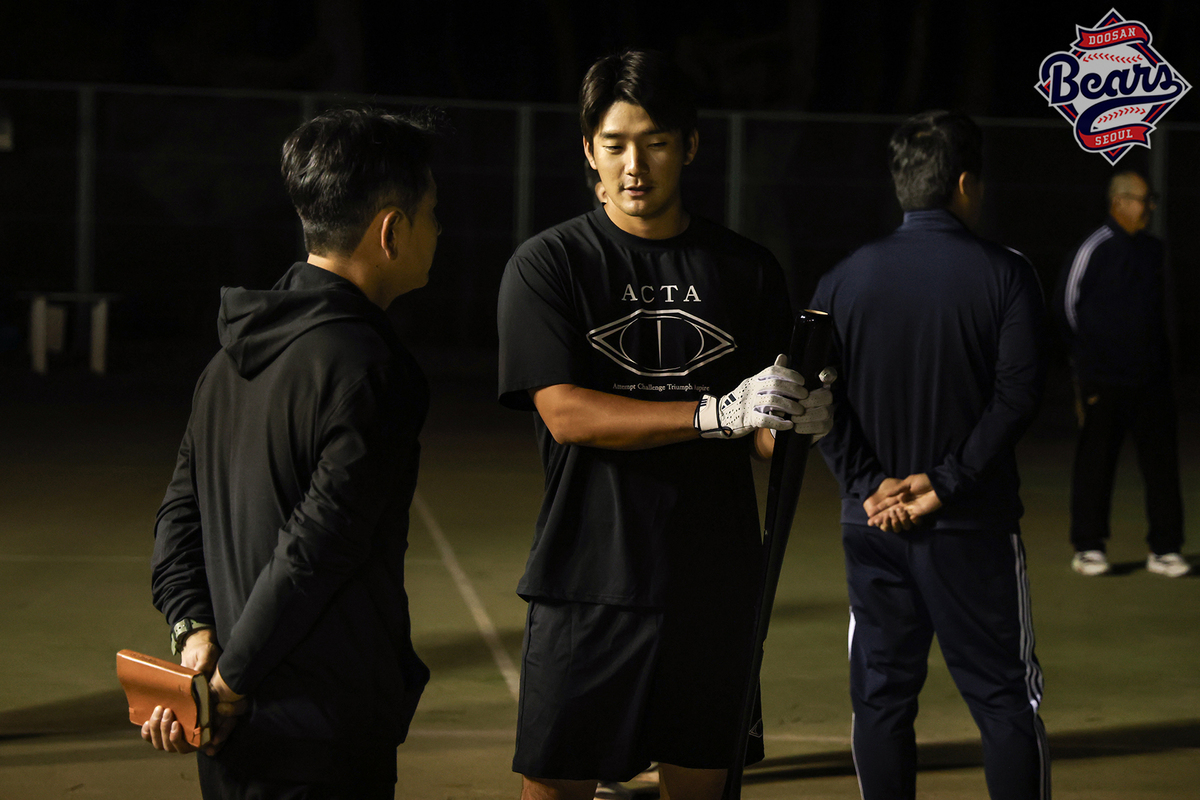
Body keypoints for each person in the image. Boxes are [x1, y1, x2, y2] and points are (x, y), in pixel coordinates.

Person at [497, 48, 832, 800]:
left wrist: (801, 419)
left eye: (652, 141)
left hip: (712, 583)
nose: (634, 165)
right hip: (587, 579)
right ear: (589, 151)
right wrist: (714, 411)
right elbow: (566, 413)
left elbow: (765, 437)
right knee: (555, 788)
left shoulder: (746, 271)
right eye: (613, 145)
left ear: (690, 144)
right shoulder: (549, 265)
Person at [144, 107, 439, 799]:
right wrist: (232, 680)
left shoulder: (227, 361)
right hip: (321, 731)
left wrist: (195, 638)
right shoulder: (374, 368)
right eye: (432, 213)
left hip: (229, 732)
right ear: (391, 231)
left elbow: (175, 523)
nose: (440, 232)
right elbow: (319, 545)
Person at [809, 110, 1051, 800]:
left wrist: (867, 484)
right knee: (1005, 701)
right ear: (966, 183)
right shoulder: (1006, 276)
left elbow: (817, 399)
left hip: (873, 525)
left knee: (881, 703)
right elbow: (1017, 396)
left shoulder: (842, 281)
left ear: (900, 185)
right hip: (972, 528)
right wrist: (945, 483)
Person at [1057, 171, 1188, 578]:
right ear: (1119, 202)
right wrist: (1087, 363)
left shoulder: (1154, 250)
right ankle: (1089, 546)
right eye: (1143, 199)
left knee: (1162, 466)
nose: (1149, 207)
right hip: (1103, 379)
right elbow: (1066, 306)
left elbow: (1166, 312)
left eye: (1151, 200)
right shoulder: (1095, 247)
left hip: (1151, 380)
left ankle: (1165, 548)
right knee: (1096, 462)